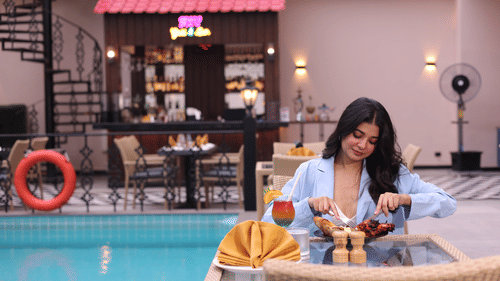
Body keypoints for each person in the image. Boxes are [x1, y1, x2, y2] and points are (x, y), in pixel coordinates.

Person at [261, 97, 457, 235]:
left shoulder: (390, 173)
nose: (363, 146)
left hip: (378, 270)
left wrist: (404, 199)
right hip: (319, 270)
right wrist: (309, 206)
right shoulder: (310, 171)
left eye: (372, 141)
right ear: (343, 129)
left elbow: (448, 204)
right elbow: (270, 221)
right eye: (357, 135)